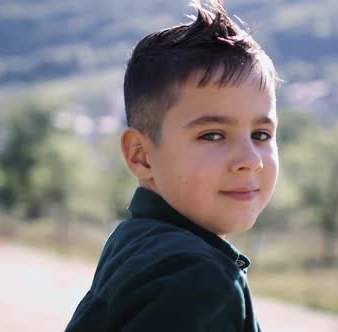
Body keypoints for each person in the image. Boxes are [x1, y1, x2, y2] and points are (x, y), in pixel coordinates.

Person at [65, 0, 279, 331]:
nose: (250, 160)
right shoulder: (197, 278)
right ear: (141, 155)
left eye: (261, 134)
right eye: (212, 135)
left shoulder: (136, 241)